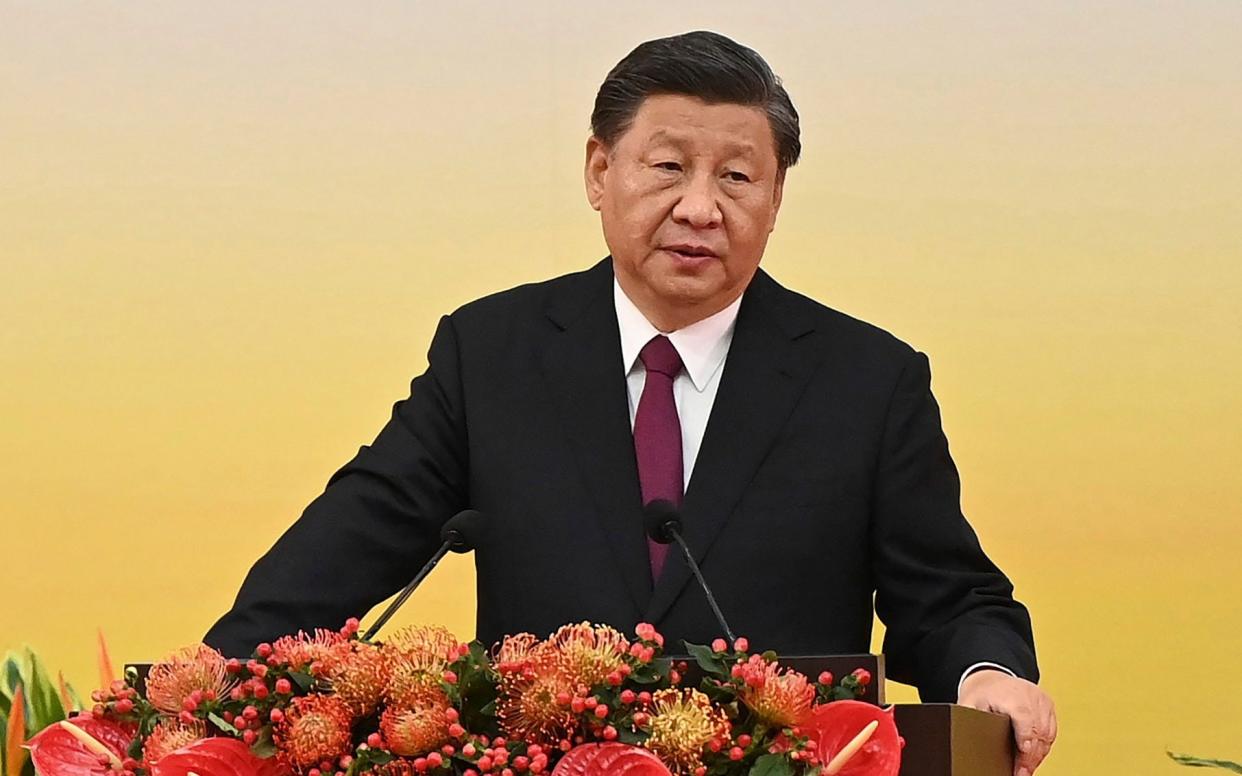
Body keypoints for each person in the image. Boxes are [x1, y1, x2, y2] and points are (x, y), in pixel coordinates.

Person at [204, 31, 1056, 775]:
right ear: (599, 170)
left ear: (776, 198)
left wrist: (989, 674)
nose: (700, 207)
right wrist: (203, 692)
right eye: (669, 167)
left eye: (736, 176)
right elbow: (354, 540)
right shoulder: (493, 353)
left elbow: (948, 598)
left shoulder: (868, 380)